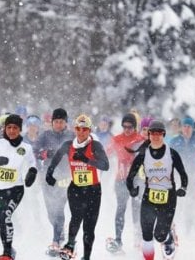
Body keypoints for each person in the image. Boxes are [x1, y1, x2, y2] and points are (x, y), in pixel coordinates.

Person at [46, 114, 109, 260]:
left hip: (93, 190)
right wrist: (49, 173)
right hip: (76, 188)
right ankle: (70, 245)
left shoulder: (95, 146)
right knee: (76, 217)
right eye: (78, 129)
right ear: (75, 129)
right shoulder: (69, 145)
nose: (81, 132)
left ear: (89, 130)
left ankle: (86, 257)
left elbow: (106, 165)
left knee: (89, 227)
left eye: (85, 129)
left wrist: (87, 159)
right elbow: (56, 157)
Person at [0, 114, 38, 260]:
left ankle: (7, 253)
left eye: (15, 128)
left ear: (20, 129)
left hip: (16, 189)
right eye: (9, 127)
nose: (11, 131)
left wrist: (32, 172)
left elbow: (32, 163)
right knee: (1, 221)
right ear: (4, 128)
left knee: (6, 216)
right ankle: (9, 250)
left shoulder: (26, 148)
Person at [126, 120, 188, 260]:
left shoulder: (172, 154)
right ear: (149, 135)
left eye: (158, 133)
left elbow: (183, 174)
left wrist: (183, 188)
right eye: (152, 133)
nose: (155, 136)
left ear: (163, 135)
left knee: (159, 236)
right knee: (146, 235)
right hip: (149, 196)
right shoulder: (143, 154)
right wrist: (132, 189)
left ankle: (168, 237)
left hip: (169, 198)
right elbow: (131, 176)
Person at [33, 108, 75, 256]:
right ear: (52, 123)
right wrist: (45, 154)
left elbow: (81, 150)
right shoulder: (45, 135)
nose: (58, 124)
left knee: (59, 208)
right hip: (48, 177)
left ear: (66, 123)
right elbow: (34, 151)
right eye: (56, 122)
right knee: (50, 212)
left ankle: (56, 240)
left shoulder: (72, 135)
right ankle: (59, 231)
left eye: (61, 122)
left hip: (65, 177)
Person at [105, 113, 145, 252]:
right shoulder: (117, 139)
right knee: (121, 208)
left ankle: (138, 238)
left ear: (135, 127)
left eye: (130, 127)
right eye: (124, 126)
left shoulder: (141, 139)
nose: (127, 129)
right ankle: (118, 240)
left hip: (137, 181)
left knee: (136, 209)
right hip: (121, 180)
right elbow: (106, 154)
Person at [170, 116, 195, 233]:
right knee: (178, 200)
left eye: (189, 126)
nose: (187, 128)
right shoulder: (174, 141)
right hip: (178, 175)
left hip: (193, 175)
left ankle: (190, 225)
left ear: (193, 128)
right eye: (184, 126)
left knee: (191, 200)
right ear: (181, 128)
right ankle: (177, 223)